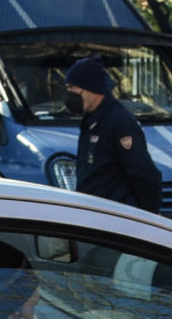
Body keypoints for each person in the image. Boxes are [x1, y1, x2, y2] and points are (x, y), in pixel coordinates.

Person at [66, 57, 161, 214]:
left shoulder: (120, 123)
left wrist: (149, 218)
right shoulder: (91, 120)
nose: (69, 93)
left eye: (72, 87)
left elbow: (144, 174)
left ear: (90, 87)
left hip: (115, 217)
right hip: (93, 214)